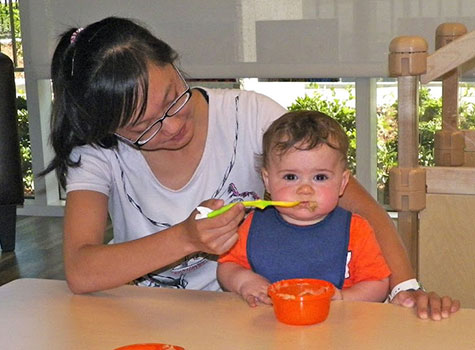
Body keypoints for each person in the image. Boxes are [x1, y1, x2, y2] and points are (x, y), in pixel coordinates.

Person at [42, 16, 459, 320]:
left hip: (248, 317)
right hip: (152, 316)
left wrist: (406, 288)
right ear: (110, 130)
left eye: (174, 97)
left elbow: (363, 212)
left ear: (174, 63)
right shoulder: (97, 153)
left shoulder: (251, 117)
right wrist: (187, 237)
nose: (172, 126)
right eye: (143, 126)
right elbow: (81, 270)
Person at [217, 111, 391, 306]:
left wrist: (343, 298)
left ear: (342, 183)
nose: (305, 189)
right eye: (291, 177)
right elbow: (227, 266)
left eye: (320, 177)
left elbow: (378, 283)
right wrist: (245, 281)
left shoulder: (356, 230)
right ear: (267, 181)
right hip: (266, 328)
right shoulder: (251, 225)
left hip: (336, 328)